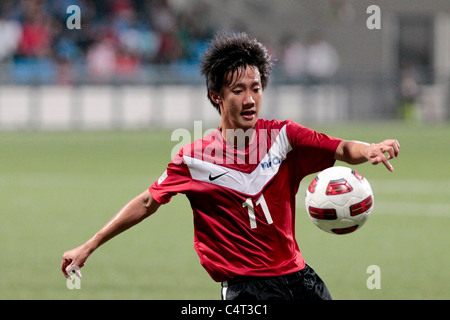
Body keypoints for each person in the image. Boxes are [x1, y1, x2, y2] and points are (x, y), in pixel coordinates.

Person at [61, 32, 400, 300]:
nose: (250, 99)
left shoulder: (284, 137)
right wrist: (90, 244)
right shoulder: (192, 158)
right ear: (216, 96)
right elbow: (149, 201)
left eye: (256, 88)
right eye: (238, 90)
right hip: (246, 289)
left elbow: (339, 147)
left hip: (298, 280)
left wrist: (369, 149)